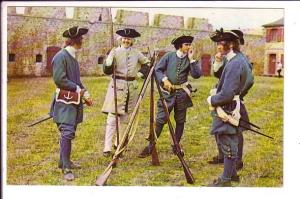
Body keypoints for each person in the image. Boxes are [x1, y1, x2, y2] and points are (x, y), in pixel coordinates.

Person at [138, 35, 202, 158]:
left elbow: (197, 75)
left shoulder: (190, 59)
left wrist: (192, 59)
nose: (189, 47)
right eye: (186, 45)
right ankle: (151, 146)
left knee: (180, 120)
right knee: (161, 119)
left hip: (182, 94)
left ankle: (176, 145)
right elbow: (157, 70)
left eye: (190, 44)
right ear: (180, 46)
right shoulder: (169, 56)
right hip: (167, 94)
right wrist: (165, 80)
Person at [207, 28, 254, 186]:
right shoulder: (235, 59)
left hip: (228, 105)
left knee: (227, 140)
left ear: (232, 44)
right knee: (230, 139)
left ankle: (226, 180)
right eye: (219, 43)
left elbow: (227, 93)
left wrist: (212, 99)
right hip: (231, 103)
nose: (219, 46)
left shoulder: (236, 63)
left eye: (223, 43)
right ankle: (233, 175)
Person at [49, 26, 93, 181]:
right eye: (81, 39)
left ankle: (64, 162)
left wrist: (85, 94)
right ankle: (66, 167)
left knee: (69, 131)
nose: (82, 41)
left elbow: (76, 80)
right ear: (76, 41)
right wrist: (77, 89)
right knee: (67, 132)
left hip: (72, 102)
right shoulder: (61, 56)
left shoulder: (73, 57)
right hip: (63, 102)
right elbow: (59, 79)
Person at [101, 28, 150, 157]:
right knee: (112, 118)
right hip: (117, 86)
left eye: (129, 39)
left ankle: (119, 144)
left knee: (125, 118)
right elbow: (106, 70)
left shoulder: (136, 53)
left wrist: (140, 74)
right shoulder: (114, 52)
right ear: (120, 39)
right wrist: (109, 59)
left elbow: (147, 64)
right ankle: (107, 147)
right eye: (124, 38)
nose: (126, 40)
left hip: (131, 88)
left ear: (132, 40)